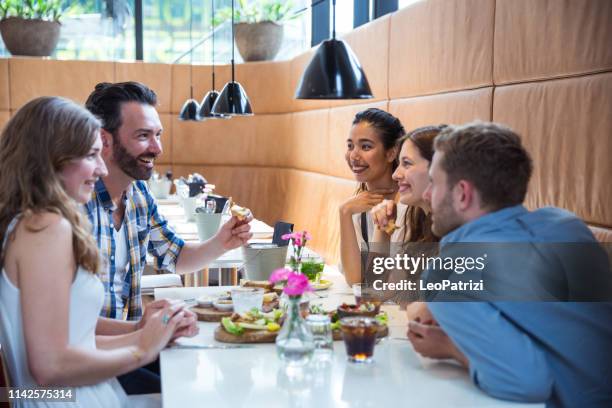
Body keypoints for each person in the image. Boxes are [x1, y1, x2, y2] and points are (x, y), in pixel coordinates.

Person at [407, 122, 612, 407]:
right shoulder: (566, 225)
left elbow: (528, 384)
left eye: (434, 183)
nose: (427, 195)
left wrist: (453, 350)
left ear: (462, 194)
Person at [0, 96, 184, 407]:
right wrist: (143, 350)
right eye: (91, 155)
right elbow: (49, 367)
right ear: (51, 160)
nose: (101, 168)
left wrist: (144, 330)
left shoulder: (28, 224)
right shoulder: (46, 228)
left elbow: (76, 337)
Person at [83, 81, 252, 394]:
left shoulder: (138, 194)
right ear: (105, 141)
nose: (157, 149)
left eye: (157, 135)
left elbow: (175, 257)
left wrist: (221, 242)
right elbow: (66, 330)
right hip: (94, 360)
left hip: (132, 346)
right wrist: (145, 330)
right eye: (143, 136)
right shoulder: (76, 208)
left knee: (216, 372)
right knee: (191, 391)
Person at [369, 126, 443, 309]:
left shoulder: (462, 235)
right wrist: (383, 229)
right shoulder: (420, 220)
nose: (395, 174)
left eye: (407, 163)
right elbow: (375, 289)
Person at [339, 108, 407, 285]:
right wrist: (344, 212)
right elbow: (354, 279)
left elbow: (376, 282)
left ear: (391, 153)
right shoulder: (358, 205)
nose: (354, 155)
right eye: (350, 146)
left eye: (366, 146)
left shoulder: (408, 205)